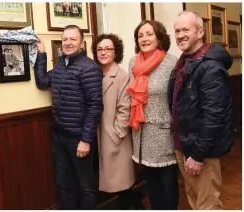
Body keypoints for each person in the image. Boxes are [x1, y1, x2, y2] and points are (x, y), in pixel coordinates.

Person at [34, 25, 103, 210]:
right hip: (58, 136)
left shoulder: (90, 68)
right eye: (65, 39)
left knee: (86, 186)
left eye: (73, 39)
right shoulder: (59, 66)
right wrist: (41, 54)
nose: (68, 43)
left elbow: (95, 106)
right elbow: (42, 82)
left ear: (82, 43)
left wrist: (86, 140)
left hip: (79, 138)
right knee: (64, 184)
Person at [169, 11, 233, 210]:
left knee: (208, 205)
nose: (180, 35)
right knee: (195, 201)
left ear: (200, 32)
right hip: (184, 145)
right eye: (177, 31)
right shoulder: (184, 62)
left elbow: (214, 116)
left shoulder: (210, 67)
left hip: (200, 151)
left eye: (186, 29)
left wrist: (198, 154)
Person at [128, 20, 179, 210]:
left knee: (168, 183)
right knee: (151, 184)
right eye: (140, 35)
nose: (144, 39)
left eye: (149, 34)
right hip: (140, 134)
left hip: (164, 133)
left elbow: (177, 101)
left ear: (159, 37)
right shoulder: (133, 62)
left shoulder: (172, 62)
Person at [91, 33, 145, 210]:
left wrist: (116, 134)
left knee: (123, 184)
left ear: (116, 52)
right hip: (96, 136)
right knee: (114, 183)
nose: (103, 52)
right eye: (100, 49)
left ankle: (135, 206)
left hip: (114, 138)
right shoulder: (93, 73)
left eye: (108, 49)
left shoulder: (121, 76)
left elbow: (125, 110)